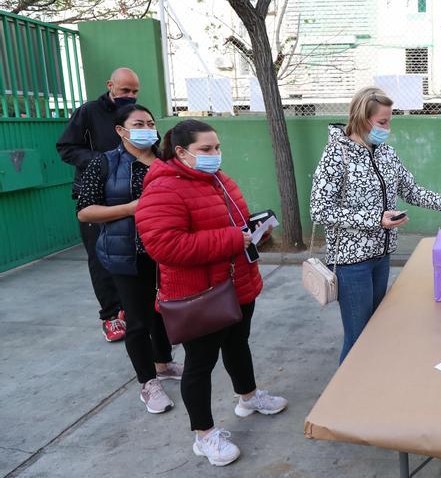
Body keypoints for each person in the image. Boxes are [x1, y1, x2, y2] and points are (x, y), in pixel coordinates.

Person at [135, 120, 287, 467]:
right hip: (199, 295)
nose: (215, 155)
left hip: (236, 284)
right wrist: (234, 239)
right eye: (206, 149)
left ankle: (248, 397)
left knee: (237, 344)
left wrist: (254, 231)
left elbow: (234, 221)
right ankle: (204, 435)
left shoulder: (217, 179)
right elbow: (164, 245)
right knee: (199, 365)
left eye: (217, 148)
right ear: (181, 152)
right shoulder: (163, 190)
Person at [310, 86, 441, 363]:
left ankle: (370, 387)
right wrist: (375, 219)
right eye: (383, 121)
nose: (388, 127)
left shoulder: (385, 153)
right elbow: (320, 210)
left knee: (376, 329)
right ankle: (345, 398)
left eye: (389, 120)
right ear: (361, 118)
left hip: (381, 257)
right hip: (351, 262)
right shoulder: (336, 155)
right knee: (358, 337)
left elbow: (410, 189)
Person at [76, 104, 182, 414]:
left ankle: (163, 363)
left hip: (168, 252)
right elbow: (85, 211)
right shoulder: (104, 164)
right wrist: (133, 207)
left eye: (150, 123)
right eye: (139, 124)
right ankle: (148, 383)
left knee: (164, 312)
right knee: (137, 321)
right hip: (127, 253)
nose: (147, 128)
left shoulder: (166, 161)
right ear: (121, 130)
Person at [57, 67, 142, 342]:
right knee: (100, 257)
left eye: (134, 91)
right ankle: (110, 315)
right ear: (110, 85)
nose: (129, 96)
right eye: (125, 90)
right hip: (96, 196)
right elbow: (66, 147)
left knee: (131, 254)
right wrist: (100, 163)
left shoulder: (136, 114)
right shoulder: (89, 112)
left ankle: (130, 309)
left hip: (129, 195)